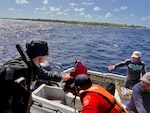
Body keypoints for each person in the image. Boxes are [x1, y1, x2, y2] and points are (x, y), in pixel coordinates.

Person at [0, 38, 72, 87]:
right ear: (40, 56)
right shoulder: (20, 69)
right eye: (46, 54)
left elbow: (44, 74)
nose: (47, 56)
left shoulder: (32, 67)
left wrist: (65, 77)